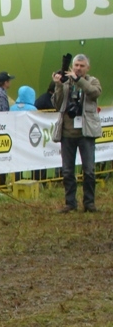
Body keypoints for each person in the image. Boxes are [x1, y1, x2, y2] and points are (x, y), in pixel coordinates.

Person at [51, 54, 102, 213]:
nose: (78, 68)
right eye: (76, 65)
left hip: (86, 132)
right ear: (72, 66)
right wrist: (58, 85)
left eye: (82, 66)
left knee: (89, 170)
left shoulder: (92, 81)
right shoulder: (66, 83)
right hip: (67, 133)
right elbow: (57, 104)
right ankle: (70, 203)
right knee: (67, 171)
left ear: (87, 68)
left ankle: (89, 203)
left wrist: (79, 80)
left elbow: (94, 93)